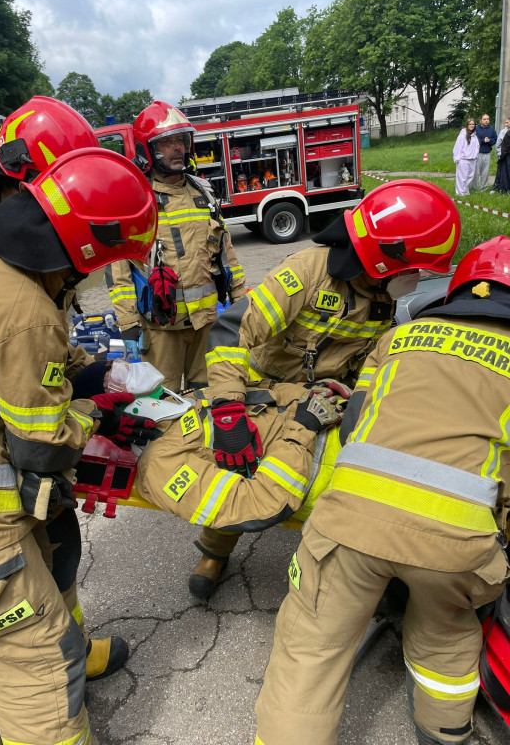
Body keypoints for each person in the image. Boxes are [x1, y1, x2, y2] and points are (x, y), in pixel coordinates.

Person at [0, 146, 157, 745]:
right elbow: (41, 447)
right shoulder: (27, 310)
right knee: (39, 657)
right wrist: (93, 411)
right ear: (84, 247)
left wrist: (79, 369)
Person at [254, 235, 510, 745]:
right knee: (447, 637)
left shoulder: (403, 336)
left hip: (348, 525)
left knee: (311, 649)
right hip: (456, 547)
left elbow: (354, 422)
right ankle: (443, 733)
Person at [189, 179, 461, 598]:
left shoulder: (380, 294)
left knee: (335, 476)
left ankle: (345, 559)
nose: (419, 279)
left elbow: (372, 357)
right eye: (414, 270)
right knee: (242, 467)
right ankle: (215, 548)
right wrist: (228, 410)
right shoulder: (308, 272)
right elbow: (232, 328)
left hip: (326, 397)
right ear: (386, 263)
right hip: (268, 388)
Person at [107, 100, 246, 391]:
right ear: (148, 149)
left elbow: (226, 253)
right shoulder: (135, 198)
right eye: (167, 142)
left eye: (180, 141)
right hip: (162, 329)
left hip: (206, 324)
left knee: (206, 397)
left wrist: (240, 301)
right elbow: (119, 269)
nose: (177, 148)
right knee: (160, 402)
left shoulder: (203, 192)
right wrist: (129, 325)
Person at [132, 380, 348, 528]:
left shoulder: (172, 402)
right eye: (112, 371)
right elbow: (259, 504)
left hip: (343, 419)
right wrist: (303, 427)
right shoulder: (159, 467)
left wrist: (306, 391)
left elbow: (264, 395)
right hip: (336, 474)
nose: (123, 367)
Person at [470, 113, 497, 192]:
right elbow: (473, 140)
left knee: (485, 172)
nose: (486, 121)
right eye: (484, 119)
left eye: (487, 119)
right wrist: (482, 141)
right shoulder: (476, 129)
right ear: (480, 120)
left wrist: (489, 141)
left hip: (487, 153)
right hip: (478, 153)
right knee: (476, 172)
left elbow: (495, 139)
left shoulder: (491, 129)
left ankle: (483, 189)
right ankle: (474, 188)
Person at [453, 118, 478, 196]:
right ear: (467, 125)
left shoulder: (474, 136)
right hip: (463, 159)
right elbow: (457, 147)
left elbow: (477, 147)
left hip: (472, 159)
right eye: (470, 124)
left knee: (469, 177)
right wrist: (457, 158)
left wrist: (475, 156)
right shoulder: (462, 136)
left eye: (473, 124)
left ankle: (465, 191)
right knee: (462, 177)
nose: (471, 126)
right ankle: (460, 193)